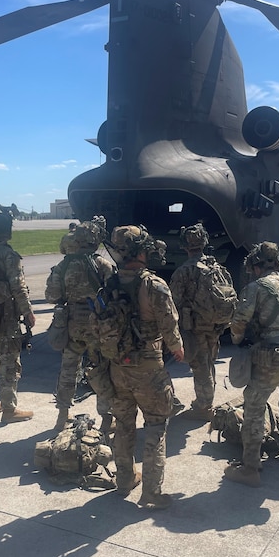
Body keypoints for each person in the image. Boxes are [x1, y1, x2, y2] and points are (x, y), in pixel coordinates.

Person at [223, 242, 279, 487]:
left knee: (254, 406)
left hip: (270, 359)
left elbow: (238, 323)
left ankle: (250, 467)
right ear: (277, 264)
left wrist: (238, 341)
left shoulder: (255, 288)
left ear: (255, 267)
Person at [105, 225, 185, 510]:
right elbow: (169, 323)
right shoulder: (153, 284)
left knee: (124, 425)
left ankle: (124, 480)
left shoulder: (110, 282)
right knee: (156, 425)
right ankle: (152, 491)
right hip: (149, 367)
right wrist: (177, 347)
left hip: (117, 367)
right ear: (140, 251)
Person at [45, 216, 116, 431]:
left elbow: (51, 295)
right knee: (100, 369)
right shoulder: (101, 264)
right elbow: (114, 293)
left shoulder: (62, 266)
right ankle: (106, 418)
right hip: (97, 326)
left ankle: (62, 414)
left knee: (68, 369)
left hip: (72, 324)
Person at [0, 212, 37, 423]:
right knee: (10, 362)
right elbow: (18, 286)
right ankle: (9, 410)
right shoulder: (8, 255)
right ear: (8, 229)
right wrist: (28, 311)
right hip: (7, 317)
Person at [169, 223, 229, 421]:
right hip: (215, 324)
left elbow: (173, 301)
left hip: (195, 327)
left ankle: (204, 407)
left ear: (185, 246)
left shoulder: (183, 271)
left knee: (200, 366)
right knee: (209, 361)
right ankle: (206, 400)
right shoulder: (217, 267)